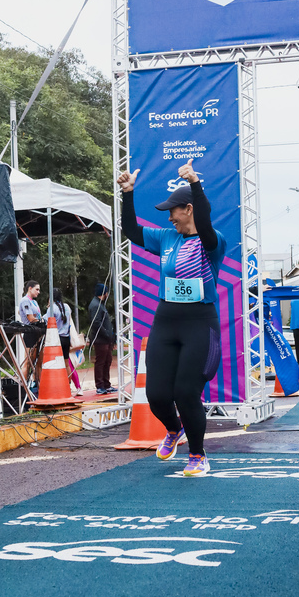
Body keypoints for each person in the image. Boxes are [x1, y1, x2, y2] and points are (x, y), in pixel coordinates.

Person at [117, 158, 226, 477]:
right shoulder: (166, 238)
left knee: (185, 392)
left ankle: (197, 454)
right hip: (166, 320)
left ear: (188, 209)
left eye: (173, 211)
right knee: (157, 395)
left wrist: (195, 183)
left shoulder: (211, 241)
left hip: (199, 323)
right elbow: (131, 231)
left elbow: (204, 223)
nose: (169, 217)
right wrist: (127, 194)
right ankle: (173, 429)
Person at [44, 287, 82, 395]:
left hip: (57, 338)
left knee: (55, 364)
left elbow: (47, 321)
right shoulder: (66, 307)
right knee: (66, 363)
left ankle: (57, 387)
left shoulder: (52, 309)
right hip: (66, 337)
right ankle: (68, 386)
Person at [88, 283, 116, 395]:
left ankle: (106, 384)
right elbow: (96, 323)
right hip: (101, 339)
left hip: (106, 339)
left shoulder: (100, 304)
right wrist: (106, 334)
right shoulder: (95, 305)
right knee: (101, 362)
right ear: (104, 293)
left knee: (107, 361)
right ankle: (100, 385)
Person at [18, 280, 44, 385]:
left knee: (38, 362)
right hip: (30, 332)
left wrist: (42, 321)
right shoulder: (25, 300)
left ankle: (39, 386)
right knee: (28, 362)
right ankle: (23, 387)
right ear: (30, 288)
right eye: (36, 289)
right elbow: (31, 318)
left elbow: (38, 316)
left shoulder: (34, 302)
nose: (38, 292)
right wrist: (42, 322)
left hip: (38, 331)